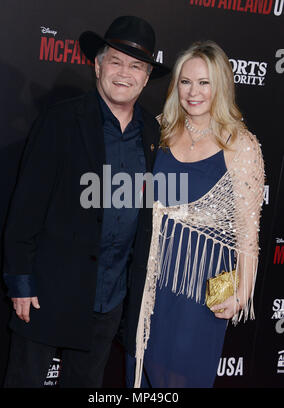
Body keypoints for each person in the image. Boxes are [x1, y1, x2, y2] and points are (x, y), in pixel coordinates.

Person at [2, 16, 170, 388]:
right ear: (97, 65)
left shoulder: (152, 133)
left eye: (136, 66)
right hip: (48, 292)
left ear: (145, 78)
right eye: (116, 61)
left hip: (109, 300)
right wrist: (21, 284)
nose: (124, 73)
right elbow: (25, 208)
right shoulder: (61, 121)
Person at [123, 40, 265, 388]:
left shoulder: (240, 144)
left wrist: (242, 293)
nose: (193, 92)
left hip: (203, 287)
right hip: (150, 277)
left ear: (221, 86)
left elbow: (248, 232)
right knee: (138, 372)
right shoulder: (161, 130)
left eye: (204, 83)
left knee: (182, 378)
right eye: (185, 81)